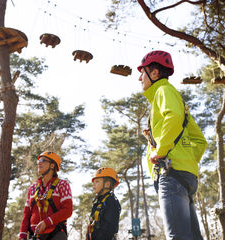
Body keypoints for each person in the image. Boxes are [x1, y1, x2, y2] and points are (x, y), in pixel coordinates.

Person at [138, 50, 207, 240]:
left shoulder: (163, 90)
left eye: (142, 72)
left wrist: (160, 151)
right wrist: (186, 161)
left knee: (177, 237)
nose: (139, 78)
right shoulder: (176, 99)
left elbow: (174, 117)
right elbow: (200, 141)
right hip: (185, 175)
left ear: (154, 73)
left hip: (170, 175)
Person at [19, 151, 73, 240]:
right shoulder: (32, 188)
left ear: (52, 165)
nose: (39, 163)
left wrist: (47, 222)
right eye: (38, 161)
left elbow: (68, 210)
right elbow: (27, 214)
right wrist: (22, 235)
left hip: (56, 234)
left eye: (43, 160)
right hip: (34, 235)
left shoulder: (62, 184)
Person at [87, 167, 121, 240]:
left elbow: (109, 226)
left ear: (107, 184)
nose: (93, 184)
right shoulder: (98, 203)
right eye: (93, 182)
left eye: (97, 181)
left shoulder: (111, 201)